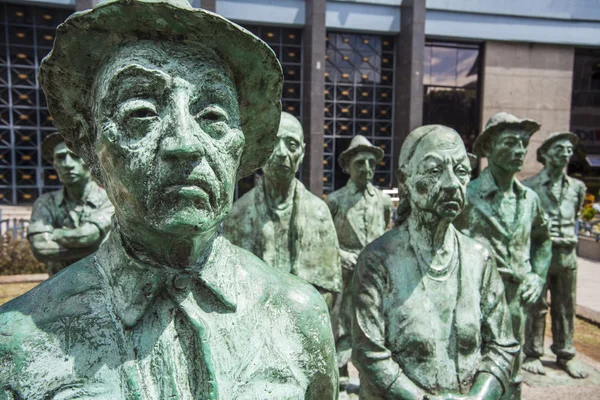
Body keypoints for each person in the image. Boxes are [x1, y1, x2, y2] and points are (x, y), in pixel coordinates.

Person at [0, 1, 338, 398]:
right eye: (141, 113)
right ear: (91, 145)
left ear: (240, 144)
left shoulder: (299, 315)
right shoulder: (19, 342)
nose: (184, 143)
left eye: (212, 116)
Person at [352, 125, 519, 400]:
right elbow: (368, 351)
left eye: (461, 171)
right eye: (434, 170)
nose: (452, 184)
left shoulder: (480, 259)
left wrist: (477, 397)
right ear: (404, 180)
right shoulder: (378, 260)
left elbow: (503, 347)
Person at [454, 112, 552, 399]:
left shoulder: (530, 199)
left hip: (515, 303)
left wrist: (538, 274)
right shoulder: (466, 196)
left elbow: (544, 240)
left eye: (523, 143)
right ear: (487, 148)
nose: (520, 150)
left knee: (512, 376)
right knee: (472, 374)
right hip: (472, 303)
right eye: (510, 143)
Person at [223, 112, 342, 308]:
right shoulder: (238, 213)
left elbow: (329, 288)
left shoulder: (319, 212)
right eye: (273, 144)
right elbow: (230, 286)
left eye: (291, 144)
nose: (281, 152)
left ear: (302, 153)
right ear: (261, 152)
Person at [522, 132, 588, 378]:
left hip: (567, 254)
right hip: (541, 253)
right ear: (546, 154)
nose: (566, 154)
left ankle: (565, 353)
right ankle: (532, 353)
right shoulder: (530, 187)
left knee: (565, 306)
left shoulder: (578, 188)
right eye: (560, 149)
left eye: (569, 149)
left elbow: (577, 214)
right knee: (535, 305)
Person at [325, 135, 392, 376]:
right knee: (342, 329)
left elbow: (384, 235)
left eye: (371, 164)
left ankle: (371, 375)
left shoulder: (384, 202)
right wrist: (340, 254)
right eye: (360, 163)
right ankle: (340, 376)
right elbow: (322, 242)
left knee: (374, 327)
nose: (367, 169)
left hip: (373, 279)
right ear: (347, 167)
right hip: (345, 279)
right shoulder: (335, 201)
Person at [27, 132, 114, 275]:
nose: (67, 164)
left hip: (101, 283)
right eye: (61, 158)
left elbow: (88, 235)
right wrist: (94, 247)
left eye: (74, 156)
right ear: (54, 164)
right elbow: (40, 249)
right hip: (57, 289)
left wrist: (55, 234)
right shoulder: (45, 203)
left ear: (90, 162)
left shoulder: (109, 199)